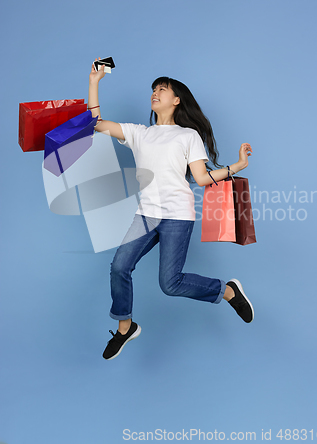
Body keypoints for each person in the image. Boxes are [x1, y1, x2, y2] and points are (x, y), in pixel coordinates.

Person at [88, 59, 254, 360]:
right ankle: (126, 328)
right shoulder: (140, 133)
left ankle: (228, 291)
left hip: (178, 215)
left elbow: (202, 178)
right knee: (119, 267)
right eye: (153, 89)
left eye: (161, 89)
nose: (155, 93)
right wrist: (94, 82)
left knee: (170, 284)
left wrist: (237, 166)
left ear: (176, 100)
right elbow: (95, 124)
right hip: (146, 214)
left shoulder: (188, 136)